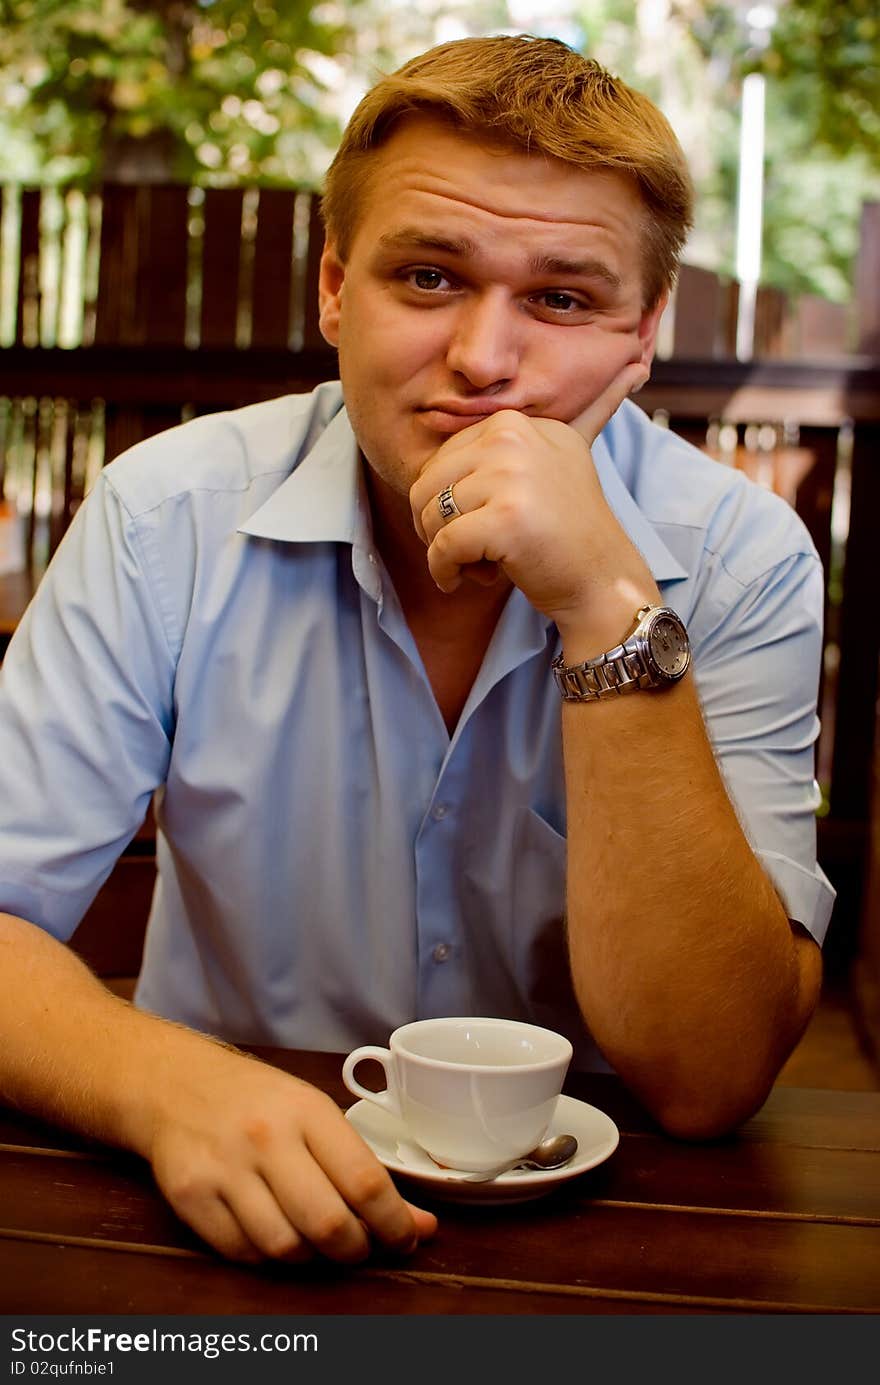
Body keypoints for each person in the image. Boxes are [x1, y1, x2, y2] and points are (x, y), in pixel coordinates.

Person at [0, 34, 833, 1267]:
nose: (485, 362)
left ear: (642, 332)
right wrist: (158, 1083)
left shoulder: (741, 559)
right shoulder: (164, 511)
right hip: (212, 1195)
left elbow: (709, 1075)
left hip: (617, 1234)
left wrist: (605, 606)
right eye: (430, 276)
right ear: (334, 286)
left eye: (561, 298)